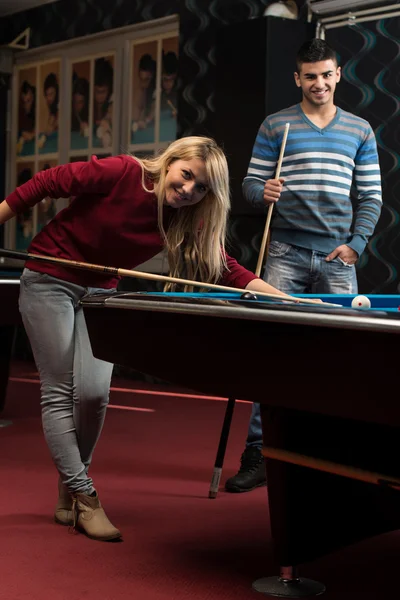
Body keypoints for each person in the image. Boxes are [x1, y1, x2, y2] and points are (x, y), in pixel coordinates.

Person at [0, 136, 292, 542]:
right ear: (171, 162)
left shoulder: (187, 217)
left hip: (100, 290)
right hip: (49, 279)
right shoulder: (123, 172)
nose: (189, 189)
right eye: (187, 174)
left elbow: (226, 268)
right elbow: (47, 182)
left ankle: (70, 484)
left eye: (202, 187)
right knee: (59, 389)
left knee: (93, 395)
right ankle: (85, 497)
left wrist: (285, 298)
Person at [225, 38, 382, 494]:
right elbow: (250, 184)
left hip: (338, 258)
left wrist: (356, 244)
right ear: (298, 78)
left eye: (325, 74)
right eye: (309, 76)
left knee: (341, 356)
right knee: (272, 354)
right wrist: (262, 192)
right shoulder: (277, 125)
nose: (318, 82)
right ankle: (259, 452)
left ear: (338, 75)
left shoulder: (360, 130)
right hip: (285, 254)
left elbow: (370, 196)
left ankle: (334, 456)